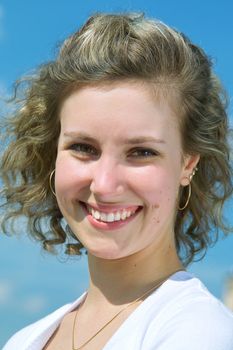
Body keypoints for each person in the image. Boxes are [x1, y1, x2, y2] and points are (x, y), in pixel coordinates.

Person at [1, 12, 233, 350]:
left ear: (188, 164)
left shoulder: (199, 333)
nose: (104, 185)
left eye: (141, 152)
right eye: (82, 147)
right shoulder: (24, 340)